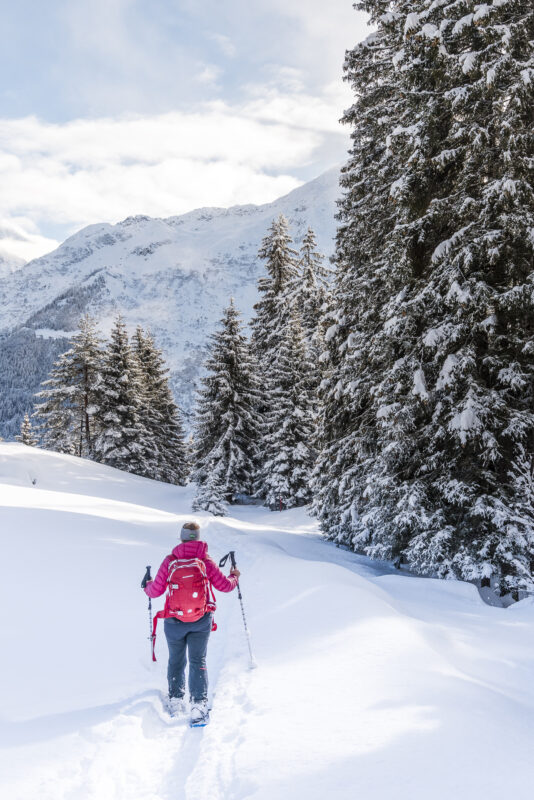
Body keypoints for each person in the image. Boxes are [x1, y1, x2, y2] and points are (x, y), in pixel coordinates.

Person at [142, 520, 240, 725]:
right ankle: (198, 705)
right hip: (200, 620)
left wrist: (147, 585)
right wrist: (234, 577)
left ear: (181, 537)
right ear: (199, 538)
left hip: (173, 620)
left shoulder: (170, 560)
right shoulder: (204, 559)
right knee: (198, 660)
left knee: (176, 660)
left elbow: (156, 591)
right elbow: (224, 586)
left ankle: (176, 700)